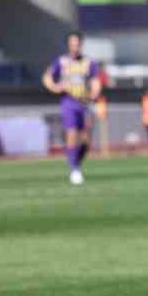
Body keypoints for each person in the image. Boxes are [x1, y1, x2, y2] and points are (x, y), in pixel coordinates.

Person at [41, 31, 101, 186]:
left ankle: (76, 163)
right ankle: (74, 169)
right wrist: (55, 87)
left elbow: (95, 81)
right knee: (72, 135)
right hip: (68, 103)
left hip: (85, 103)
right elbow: (47, 77)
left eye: (77, 43)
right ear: (69, 45)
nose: (75, 46)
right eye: (72, 44)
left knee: (87, 141)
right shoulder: (61, 62)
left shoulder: (89, 62)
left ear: (81, 44)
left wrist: (94, 94)